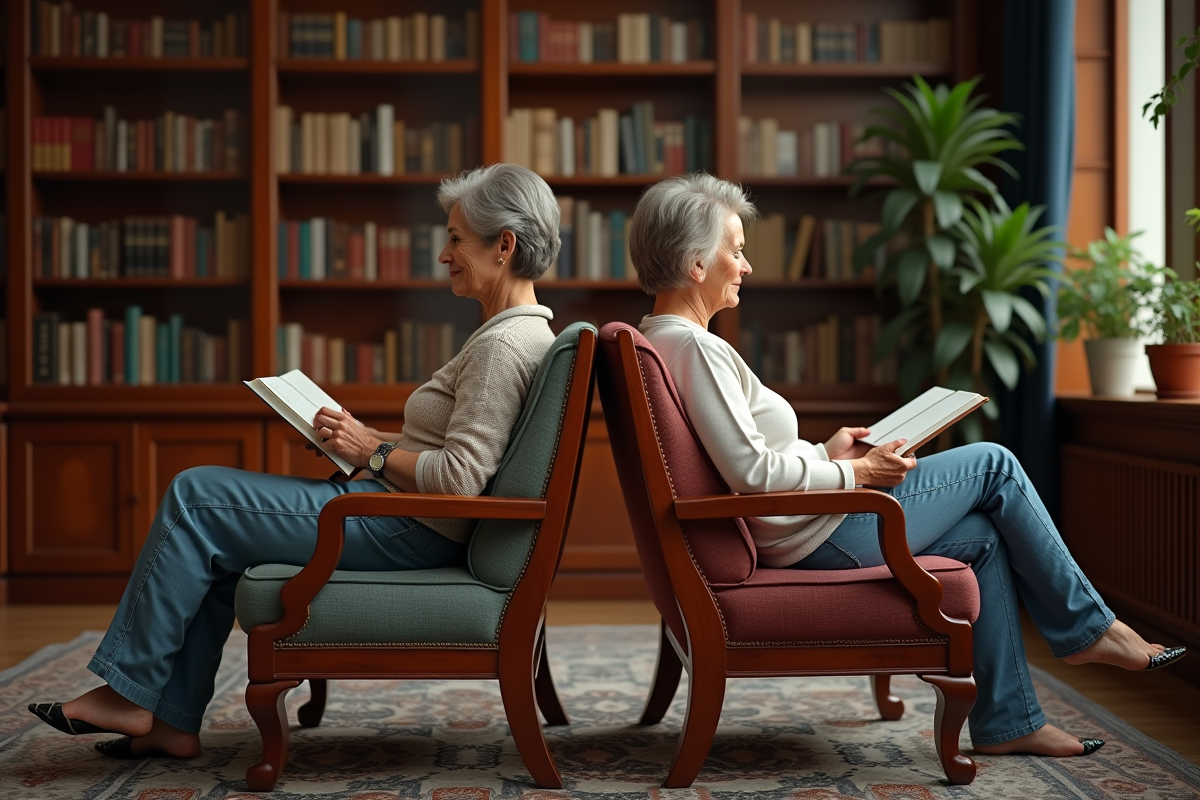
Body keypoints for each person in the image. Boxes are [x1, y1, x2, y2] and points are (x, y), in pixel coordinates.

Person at [628, 173, 1186, 758]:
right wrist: (858, 476)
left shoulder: (665, 341)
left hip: (806, 519)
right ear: (696, 264)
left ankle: (1010, 721)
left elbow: (746, 463)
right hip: (815, 531)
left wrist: (827, 453)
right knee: (994, 463)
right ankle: (1092, 631)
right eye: (735, 250)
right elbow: (752, 477)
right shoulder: (695, 347)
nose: (745, 266)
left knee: (986, 537)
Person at [28, 163, 562, 760]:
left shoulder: (502, 346)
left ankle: (129, 693)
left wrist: (373, 451)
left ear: (504, 246)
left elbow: (460, 481)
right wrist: (356, 438)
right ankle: (171, 720)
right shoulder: (516, 337)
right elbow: (454, 455)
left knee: (194, 496)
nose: (445, 254)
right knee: (215, 534)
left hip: (405, 524)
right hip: (402, 514)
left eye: (457, 238)